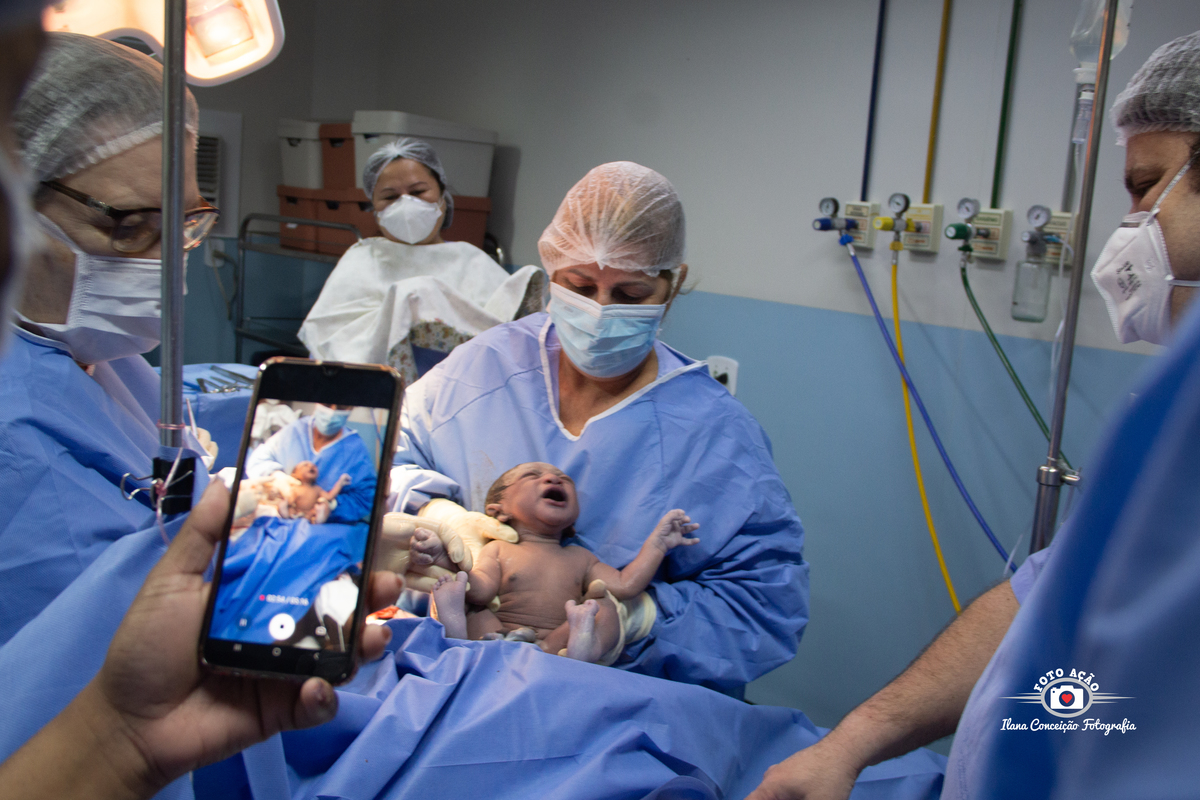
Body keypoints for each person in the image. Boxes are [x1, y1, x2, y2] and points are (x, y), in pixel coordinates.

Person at [749, 29, 1200, 800]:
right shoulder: (1175, 413)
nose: (1131, 226)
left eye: (1144, 186)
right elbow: (1040, 597)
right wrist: (849, 747)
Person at [390, 161, 809, 694]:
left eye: (631, 295)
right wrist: (431, 509)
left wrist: (640, 620)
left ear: (672, 285)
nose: (600, 311)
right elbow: (384, 458)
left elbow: (763, 607)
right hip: (438, 679)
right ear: (551, 271)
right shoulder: (488, 368)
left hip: (617, 707)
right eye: (579, 285)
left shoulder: (713, 435)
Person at [0, 32, 218, 646]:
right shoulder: (16, 443)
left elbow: (180, 503)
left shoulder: (108, 363)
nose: (165, 261)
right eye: (128, 225)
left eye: (184, 223)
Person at [297, 138, 544, 385]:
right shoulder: (362, 259)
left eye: (418, 192)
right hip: (379, 395)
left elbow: (511, 339)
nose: (406, 204)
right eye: (390, 197)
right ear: (375, 210)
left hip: (462, 393)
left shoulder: (472, 261)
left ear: (442, 198)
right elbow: (328, 340)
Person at [420, 461, 700, 663]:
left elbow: (626, 585)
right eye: (532, 475)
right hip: (499, 634)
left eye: (563, 478)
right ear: (499, 511)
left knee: (604, 605)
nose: (553, 480)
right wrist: (453, 565)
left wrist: (657, 545)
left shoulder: (580, 558)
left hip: (561, 640)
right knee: (474, 605)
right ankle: (457, 633)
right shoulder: (499, 549)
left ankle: (586, 648)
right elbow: (482, 589)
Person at [245, 403, 376, 524]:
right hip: (280, 520)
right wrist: (277, 477)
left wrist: (332, 506)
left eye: (341, 407)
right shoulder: (296, 430)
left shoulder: (355, 449)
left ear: (351, 408)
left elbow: (365, 499)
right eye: (327, 403)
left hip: (326, 528)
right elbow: (257, 460)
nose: (332, 412)